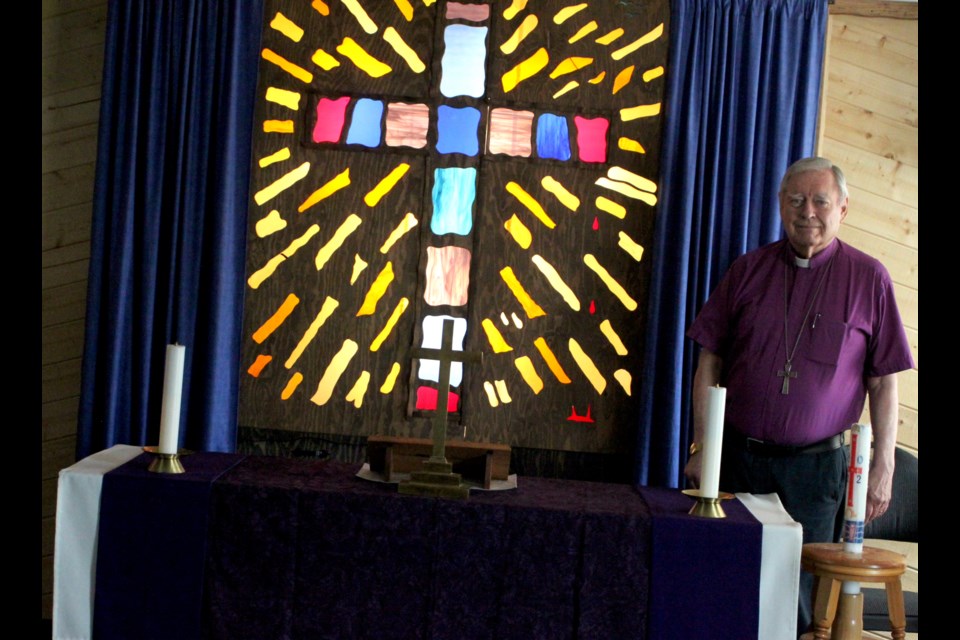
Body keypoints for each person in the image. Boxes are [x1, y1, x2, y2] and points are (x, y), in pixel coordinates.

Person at [683, 157, 915, 635]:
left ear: (843, 208)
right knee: (729, 584)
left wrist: (884, 466)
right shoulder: (749, 270)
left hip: (817, 473)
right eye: (795, 200)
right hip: (740, 461)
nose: (807, 211)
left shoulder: (869, 278)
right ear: (780, 206)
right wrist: (702, 447)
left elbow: (885, 380)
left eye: (820, 201)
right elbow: (709, 362)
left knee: (803, 604)